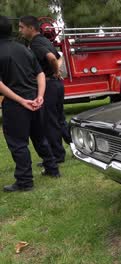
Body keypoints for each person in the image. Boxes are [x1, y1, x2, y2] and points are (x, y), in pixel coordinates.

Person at [0, 16, 60, 192]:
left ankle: (25, 182)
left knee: (18, 143)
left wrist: (20, 100)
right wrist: (40, 96)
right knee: (40, 138)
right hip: (34, 101)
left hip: (16, 104)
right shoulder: (24, 49)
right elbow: (40, 73)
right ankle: (52, 169)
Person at [19, 16, 71, 166]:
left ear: (31, 28)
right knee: (60, 119)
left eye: (21, 27)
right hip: (57, 85)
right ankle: (76, 145)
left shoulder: (35, 44)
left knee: (50, 122)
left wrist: (54, 71)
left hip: (48, 85)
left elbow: (52, 58)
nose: (20, 30)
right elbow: (59, 57)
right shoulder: (45, 40)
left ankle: (57, 155)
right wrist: (57, 72)